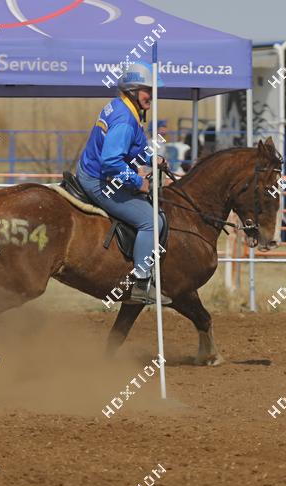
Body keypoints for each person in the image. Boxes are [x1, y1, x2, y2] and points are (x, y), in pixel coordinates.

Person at [76, 61, 171, 305]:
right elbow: (110, 162)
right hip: (98, 180)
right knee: (151, 221)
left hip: (91, 171)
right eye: (148, 90)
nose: (152, 96)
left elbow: (131, 148)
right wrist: (138, 181)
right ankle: (141, 283)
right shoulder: (125, 120)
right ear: (133, 89)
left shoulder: (121, 106)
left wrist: (152, 159)